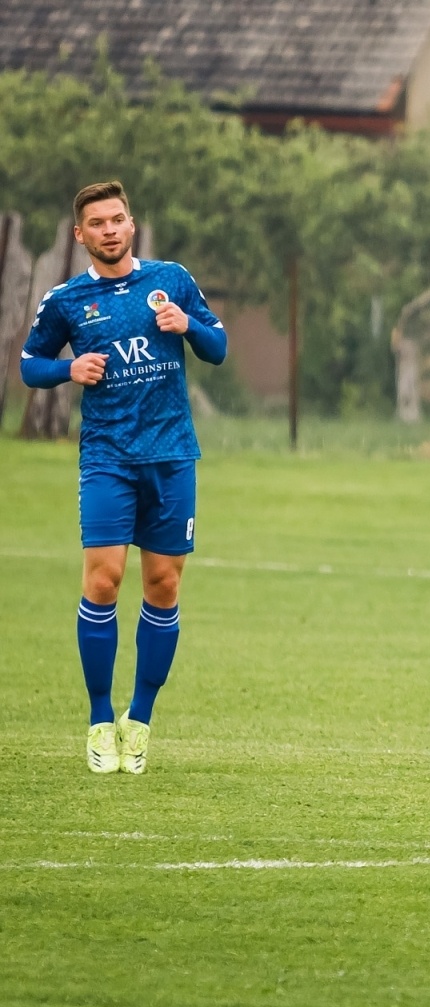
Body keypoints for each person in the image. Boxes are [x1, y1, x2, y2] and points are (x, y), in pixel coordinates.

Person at [19, 181, 228, 775]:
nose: (109, 230)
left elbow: (217, 347)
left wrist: (188, 325)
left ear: (131, 225)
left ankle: (139, 720)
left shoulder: (171, 280)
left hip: (171, 456)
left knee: (163, 585)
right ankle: (98, 719)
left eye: (117, 219)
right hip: (107, 457)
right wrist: (68, 369)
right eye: (97, 223)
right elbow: (30, 365)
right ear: (80, 234)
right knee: (103, 581)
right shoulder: (66, 300)